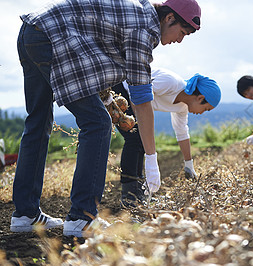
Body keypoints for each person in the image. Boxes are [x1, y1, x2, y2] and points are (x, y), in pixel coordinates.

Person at [11, 0, 202, 237]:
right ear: (169, 18)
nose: (180, 40)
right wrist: (151, 159)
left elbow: (96, 55)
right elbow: (141, 99)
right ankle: (82, 217)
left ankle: (25, 214)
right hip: (54, 36)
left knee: (38, 121)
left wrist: (108, 100)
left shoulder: (139, 13)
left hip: (34, 30)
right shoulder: (145, 29)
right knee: (97, 123)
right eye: (182, 32)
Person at [112, 68, 221, 207]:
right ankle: (130, 196)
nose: (203, 113)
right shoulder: (171, 82)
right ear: (200, 98)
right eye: (206, 109)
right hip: (122, 90)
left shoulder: (182, 107)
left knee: (140, 139)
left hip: (135, 101)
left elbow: (182, 133)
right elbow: (138, 95)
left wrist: (189, 164)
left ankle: (139, 194)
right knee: (136, 138)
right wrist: (141, 131)